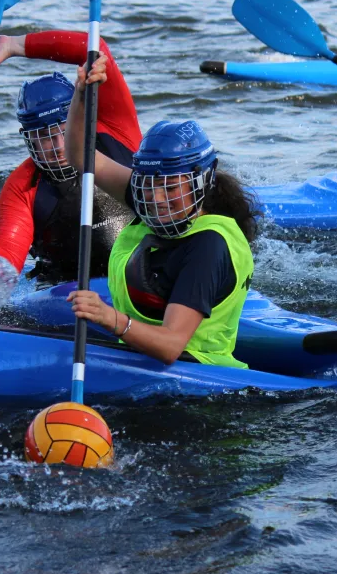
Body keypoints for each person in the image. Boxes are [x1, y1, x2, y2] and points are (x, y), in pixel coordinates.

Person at [65, 54, 261, 367]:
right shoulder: (152, 195)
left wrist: (107, 317)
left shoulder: (208, 246)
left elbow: (170, 346)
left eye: (170, 188)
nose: (157, 200)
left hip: (196, 378)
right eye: (148, 186)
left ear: (202, 182)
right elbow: (80, 156)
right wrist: (81, 94)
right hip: (139, 359)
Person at [0, 30, 142, 283]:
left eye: (64, 130)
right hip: (65, 294)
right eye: (44, 136)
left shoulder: (118, 133)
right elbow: (6, 272)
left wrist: (14, 45)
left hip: (139, 281)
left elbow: (94, 47)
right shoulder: (22, 188)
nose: (58, 145)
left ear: (81, 116)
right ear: (28, 138)